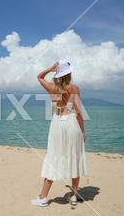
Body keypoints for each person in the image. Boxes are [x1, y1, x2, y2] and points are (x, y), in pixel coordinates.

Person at [31, 60, 88, 207]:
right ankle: (74, 196)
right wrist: (82, 132)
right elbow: (79, 113)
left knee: (54, 156)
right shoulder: (75, 88)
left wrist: (50, 69)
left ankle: (43, 197)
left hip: (58, 123)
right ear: (68, 74)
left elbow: (39, 77)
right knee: (74, 157)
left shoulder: (51, 87)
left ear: (58, 74)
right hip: (72, 123)